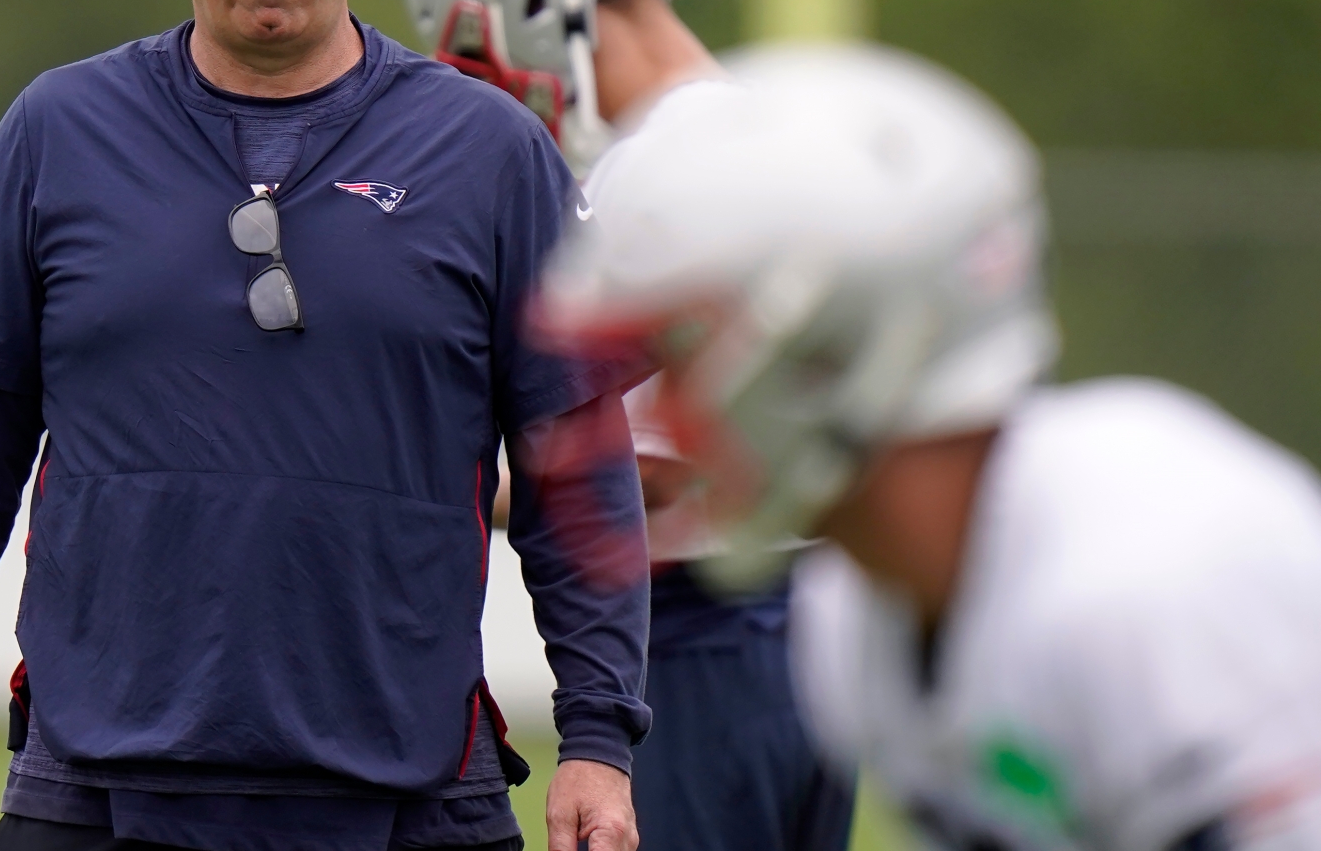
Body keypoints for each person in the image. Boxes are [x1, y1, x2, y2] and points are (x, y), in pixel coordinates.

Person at [0, 0, 653, 851]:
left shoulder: (488, 153)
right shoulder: (60, 132)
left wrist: (598, 738)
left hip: (410, 796)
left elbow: (575, 465)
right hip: (98, 792)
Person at [533, 42, 1321, 850]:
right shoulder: (853, 618)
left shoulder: (1151, 582)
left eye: (685, 346)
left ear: (832, 346)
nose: (661, 403)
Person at [403, 0, 855, 851]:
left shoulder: (660, 175)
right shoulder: (759, 131)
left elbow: (635, 466)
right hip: (808, 637)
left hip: (698, 635)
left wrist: (404, 489)